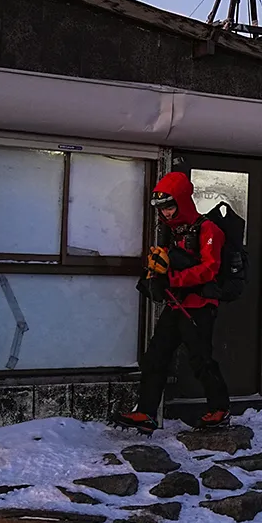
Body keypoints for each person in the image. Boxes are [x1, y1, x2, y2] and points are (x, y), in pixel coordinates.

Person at [111, 171, 231, 433]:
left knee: (201, 360)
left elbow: (210, 269)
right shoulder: (171, 232)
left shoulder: (208, 229)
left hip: (199, 308)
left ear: (182, 200)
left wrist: (172, 280)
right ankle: (146, 412)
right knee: (155, 357)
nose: (165, 213)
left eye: (169, 206)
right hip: (176, 305)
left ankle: (220, 408)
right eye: (162, 208)